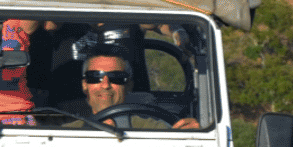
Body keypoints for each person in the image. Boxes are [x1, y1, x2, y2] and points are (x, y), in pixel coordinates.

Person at [67, 46, 197, 130]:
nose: (105, 85)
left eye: (116, 77)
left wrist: (191, 134)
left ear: (128, 85)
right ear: (84, 84)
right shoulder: (65, 133)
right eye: (95, 77)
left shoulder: (151, 128)